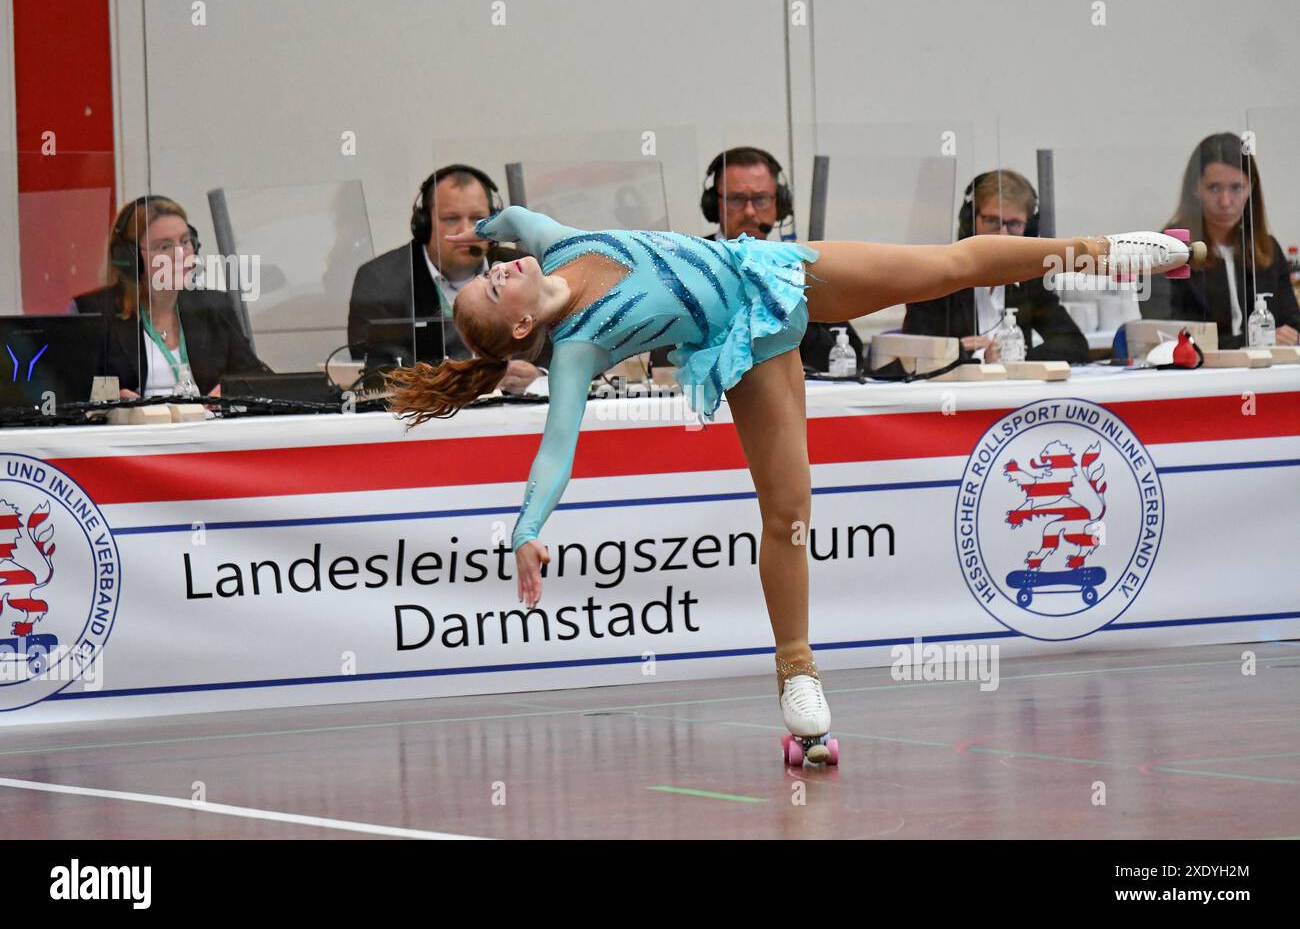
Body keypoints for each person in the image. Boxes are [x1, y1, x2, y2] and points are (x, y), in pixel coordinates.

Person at [385, 205, 1194, 762]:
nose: (506, 264)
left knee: (943, 267)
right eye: (497, 281)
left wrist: (475, 229)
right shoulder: (575, 352)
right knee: (789, 510)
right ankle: (797, 673)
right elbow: (556, 450)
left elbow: (506, 222)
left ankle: (1108, 249)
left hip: (774, 270)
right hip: (748, 345)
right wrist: (529, 529)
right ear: (521, 324)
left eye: (493, 268)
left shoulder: (550, 244)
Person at [651, 147, 864, 375]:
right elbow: (665, 356)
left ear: (779, 204)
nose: (750, 212)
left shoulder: (797, 265)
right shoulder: (688, 265)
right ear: (714, 204)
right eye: (736, 199)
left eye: (761, 199)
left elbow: (848, 353)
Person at [347, 165, 551, 392]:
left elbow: (558, 348)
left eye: (478, 218)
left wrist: (538, 376)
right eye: (451, 219)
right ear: (423, 225)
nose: (467, 231)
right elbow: (377, 372)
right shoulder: (381, 279)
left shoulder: (523, 268)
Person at [73, 195, 270, 398]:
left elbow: (257, 381)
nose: (181, 254)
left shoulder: (214, 307)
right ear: (130, 259)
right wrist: (109, 399)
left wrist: (233, 391)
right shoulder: (93, 313)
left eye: (185, 242)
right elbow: (71, 390)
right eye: (164, 246)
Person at [903, 170, 1089, 363]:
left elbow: (1075, 344)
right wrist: (976, 356)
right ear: (970, 222)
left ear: (1029, 230)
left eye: (1014, 224)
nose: (1002, 235)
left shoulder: (1030, 282)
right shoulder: (939, 277)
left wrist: (1013, 358)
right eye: (992, 221)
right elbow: (910, 356)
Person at [1146, 132, 1300, 347]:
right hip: (1197, 376)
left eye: (1237, 188)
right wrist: (1252, 341)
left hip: (1264, 374)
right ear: (1196, 188)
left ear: (1251, 188)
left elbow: (1293, 325)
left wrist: (1289, 337)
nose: (1226, 201)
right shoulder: (1165, 250)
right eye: (1214, 188)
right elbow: (1165, 336)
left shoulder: (1267, 248)